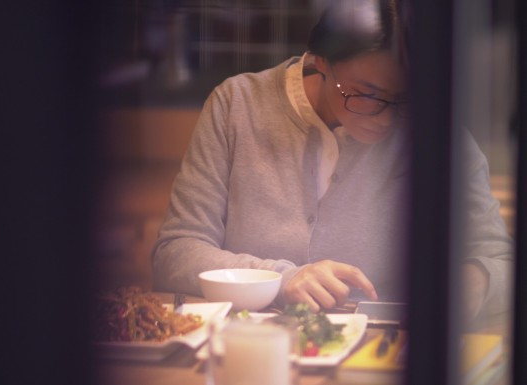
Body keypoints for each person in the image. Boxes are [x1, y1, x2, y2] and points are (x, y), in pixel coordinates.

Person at [150, 0, 513, 321]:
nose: (386, 119)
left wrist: (475, 282)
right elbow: (176, 253)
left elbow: (502, 260)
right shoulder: (237, 106)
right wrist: (282, 279)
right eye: (367, 95)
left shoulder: (435, 131)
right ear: (320, 59)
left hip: (379, 359)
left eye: (403, 98)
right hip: (244, 347)